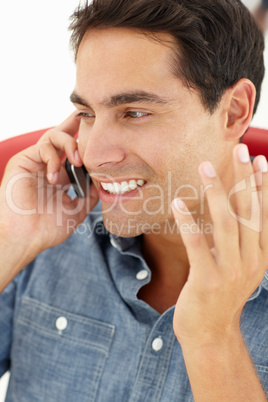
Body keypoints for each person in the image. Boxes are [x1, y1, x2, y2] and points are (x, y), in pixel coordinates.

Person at [0, 0, 267, 400]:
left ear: (233, 112)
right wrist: (10, 245)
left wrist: (214, 342)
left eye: (134, 113)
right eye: (87, 113)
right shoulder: (46, 237)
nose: (92, 155)